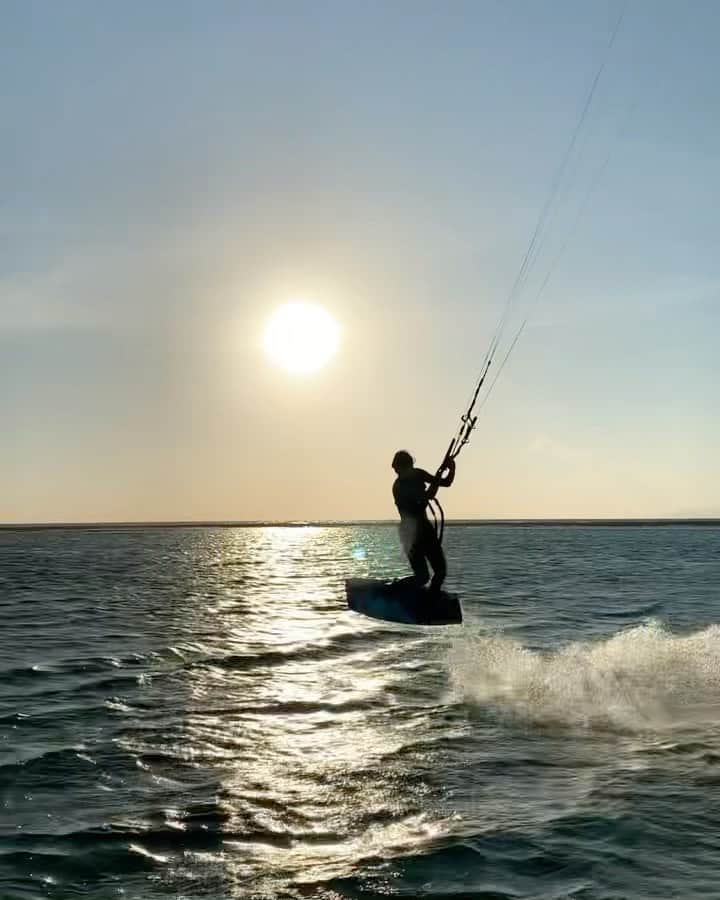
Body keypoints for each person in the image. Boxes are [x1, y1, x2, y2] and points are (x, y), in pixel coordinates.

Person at [391, 449, 456, 592]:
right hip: (414, 532)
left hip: (418, 531)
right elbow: (424, 499)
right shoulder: (400, 486)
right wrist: (434, 485)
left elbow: (445, 482)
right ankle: (395, 589)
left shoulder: (416, 474)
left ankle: (431, 599)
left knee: (434, 573)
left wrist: (450, 468)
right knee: (425, 576)